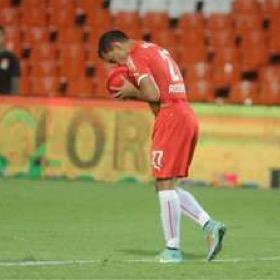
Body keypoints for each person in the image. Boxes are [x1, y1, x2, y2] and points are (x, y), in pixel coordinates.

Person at [98, 30, 226, 263]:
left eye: (112, 59)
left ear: (116, 46)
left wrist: (131, 92)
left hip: (171, 117)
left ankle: (173, 250)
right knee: (166, 185)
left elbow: (152, 93)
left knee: (164, 184)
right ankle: (209, 225)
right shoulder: (154, 49)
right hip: (185, 114)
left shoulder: (134, 57)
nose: (116, 64)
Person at [0, 25, 20, 95]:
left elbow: (15, 82)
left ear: (3, 37)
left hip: (4, 102)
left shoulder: (11, 58)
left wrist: (13, 101)